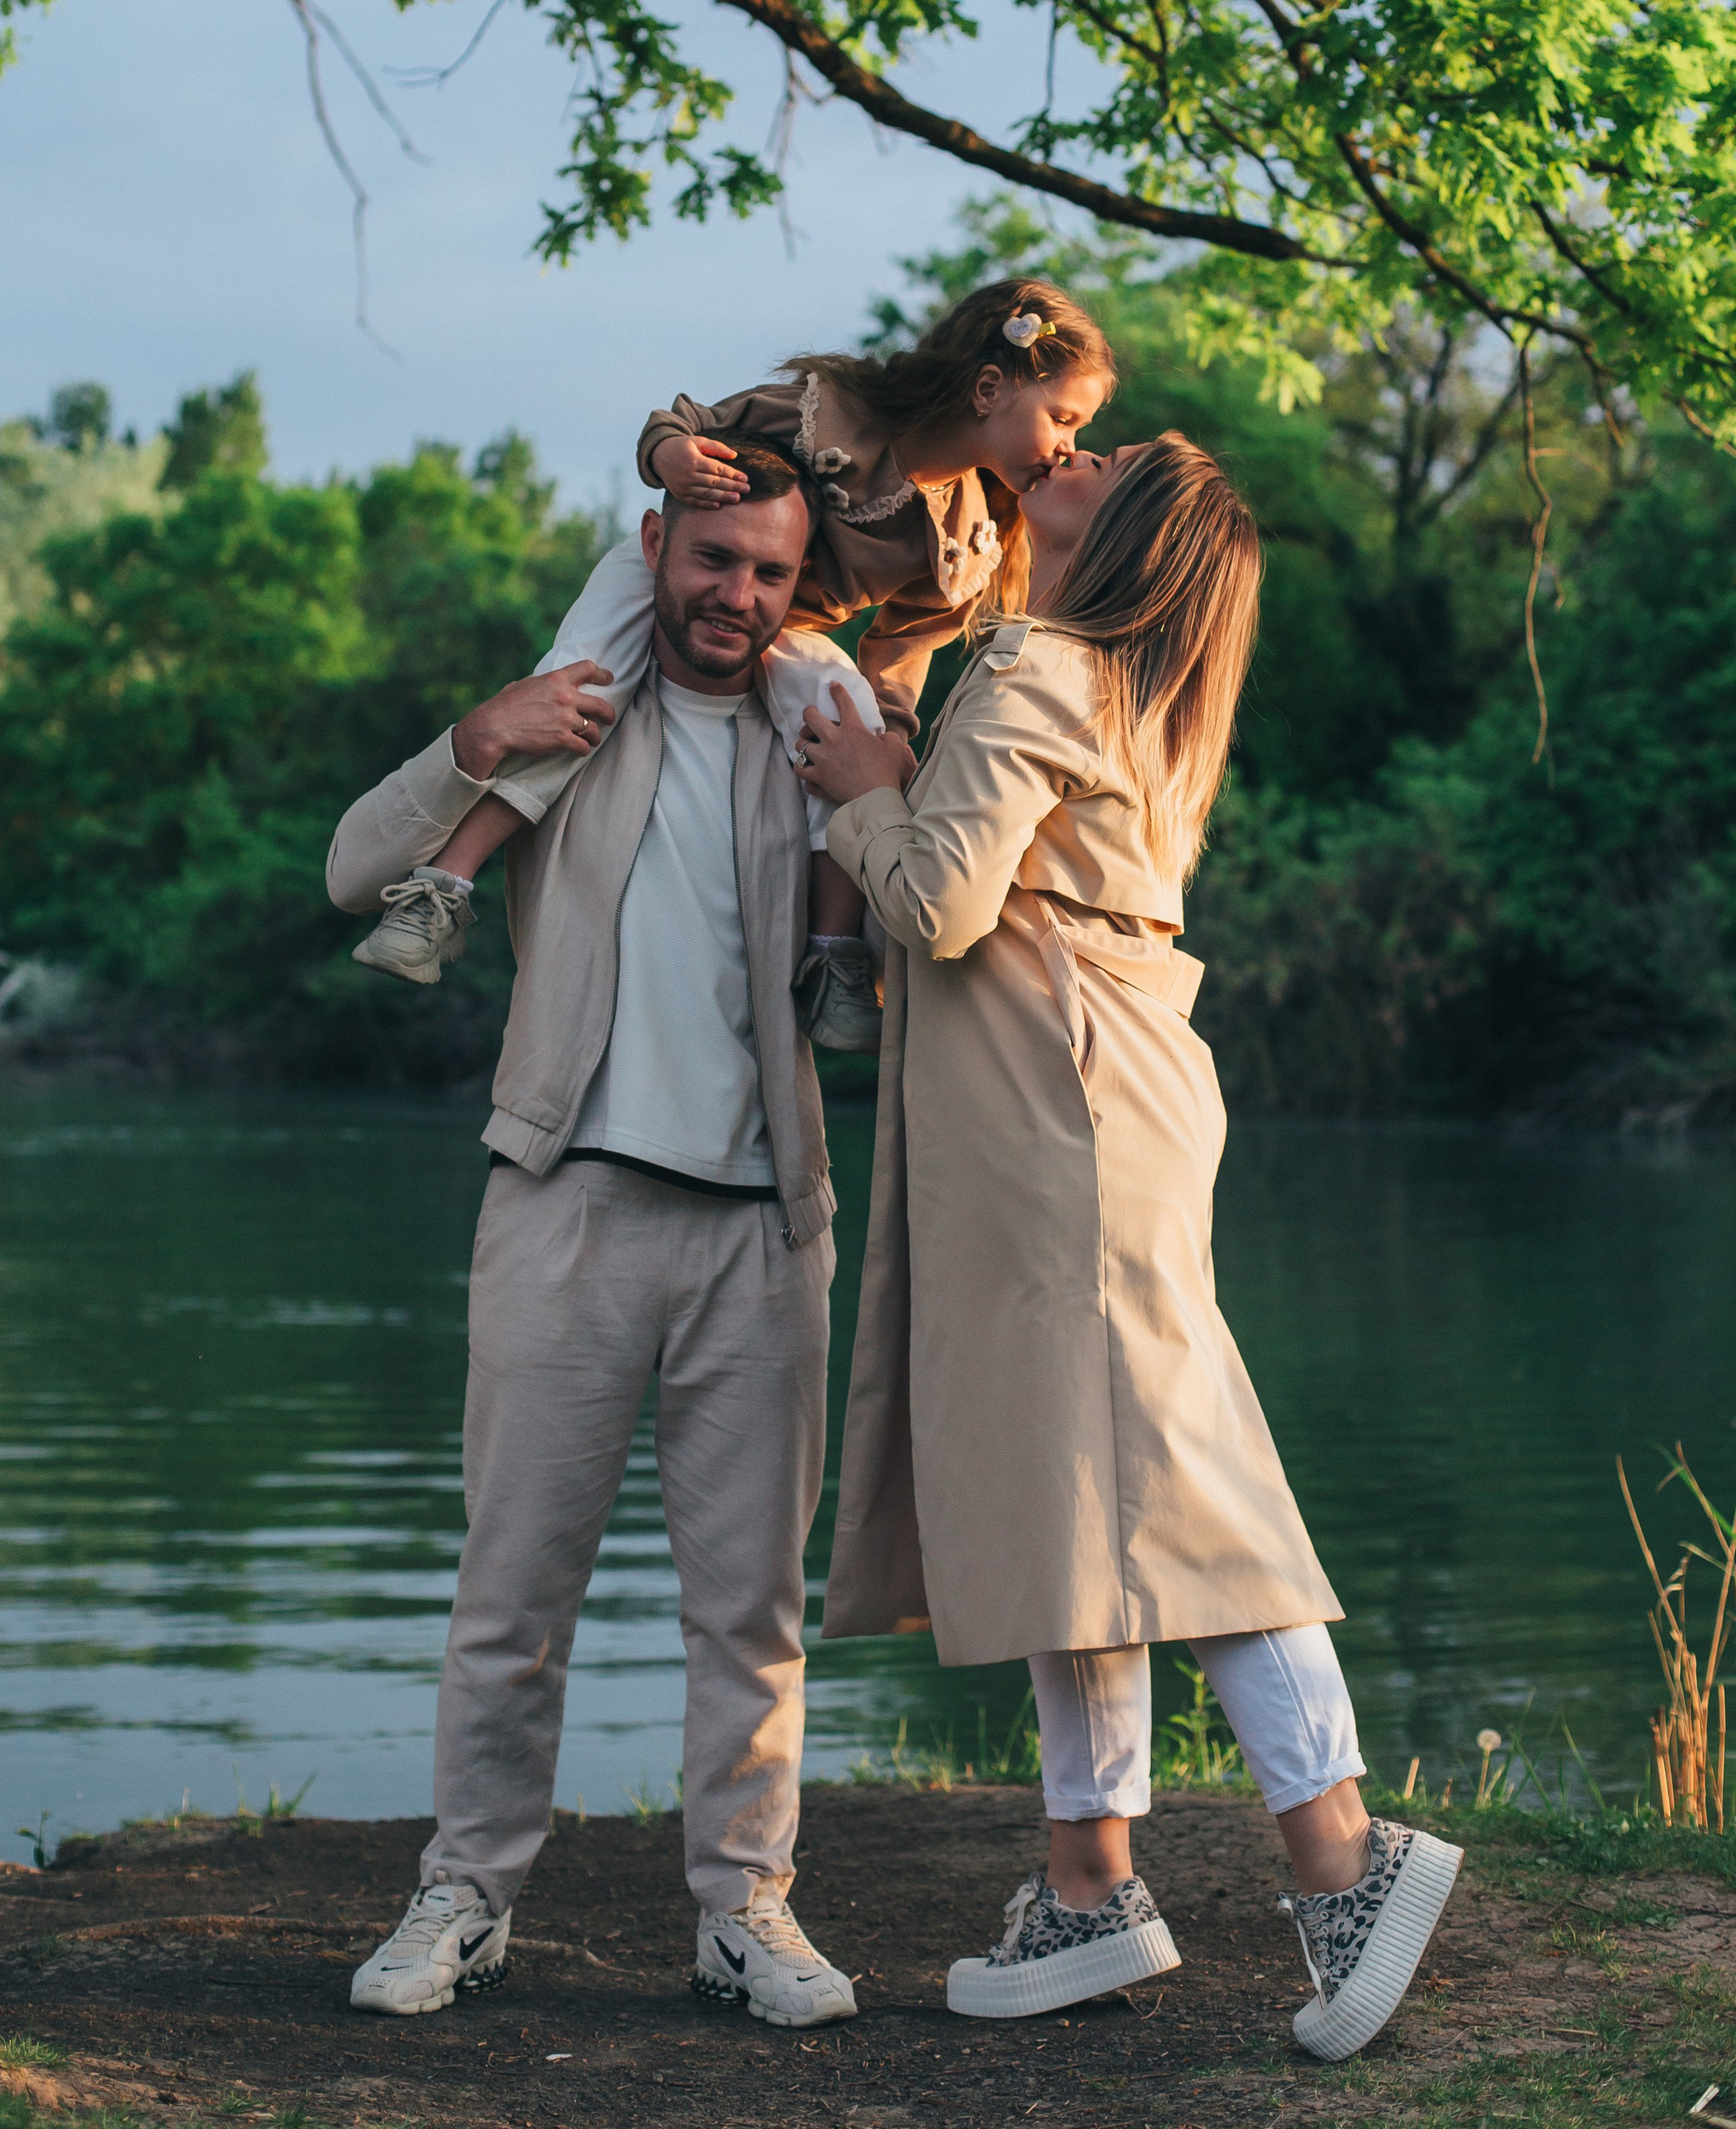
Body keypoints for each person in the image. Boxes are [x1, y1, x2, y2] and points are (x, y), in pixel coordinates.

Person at [796, 435, 1462, 2062]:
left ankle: (1342, 1849)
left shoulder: (1040, 658)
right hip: (1082, 1089)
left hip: (1057, 1108)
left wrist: (866, 799)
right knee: (1069, 1486)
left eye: (1107, 457)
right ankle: (1086, 1880)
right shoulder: (1139, 686)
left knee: (1171, 1473)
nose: (1065, 451)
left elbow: (943, 900)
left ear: (1135, 530)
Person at [327, 435, 856, 2030]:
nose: (737, 595)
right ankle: (466, 1896)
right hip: (565, 1202)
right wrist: (465, 740)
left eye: (768, 570)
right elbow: (357, 868)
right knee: (512, 1591)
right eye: (712, 561)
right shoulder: (572, 713)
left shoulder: (810, 723)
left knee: (753, 1610)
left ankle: (744, 1910)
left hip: (765, 1230)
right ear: (655, 548)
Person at [348, 277, 1116, 1049]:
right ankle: (439, 890)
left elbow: (901, 649)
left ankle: (834, 954)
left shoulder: (968, 533)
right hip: (663, 586)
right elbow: (685, 422)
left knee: (838, 729)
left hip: (779, 638)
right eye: (1063, 417)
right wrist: (674, 459)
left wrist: (880, 741)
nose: (1069, 446)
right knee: (579, 696)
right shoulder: (838, 412)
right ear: (988, 387)